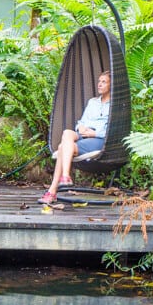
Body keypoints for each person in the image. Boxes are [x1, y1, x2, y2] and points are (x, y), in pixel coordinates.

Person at [38, 70, 111, 205]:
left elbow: (112, 128)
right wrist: (81, 128)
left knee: (61, 148)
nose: (99, 84)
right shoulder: (92, 102)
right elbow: (82, 121)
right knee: (67, 132)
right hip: (83, 135)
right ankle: (65, 176)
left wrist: (94, 133)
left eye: (104, 82)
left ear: (111, 86)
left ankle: (52, 191)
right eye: (99, 81)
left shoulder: (114, 106)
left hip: (99, 140)